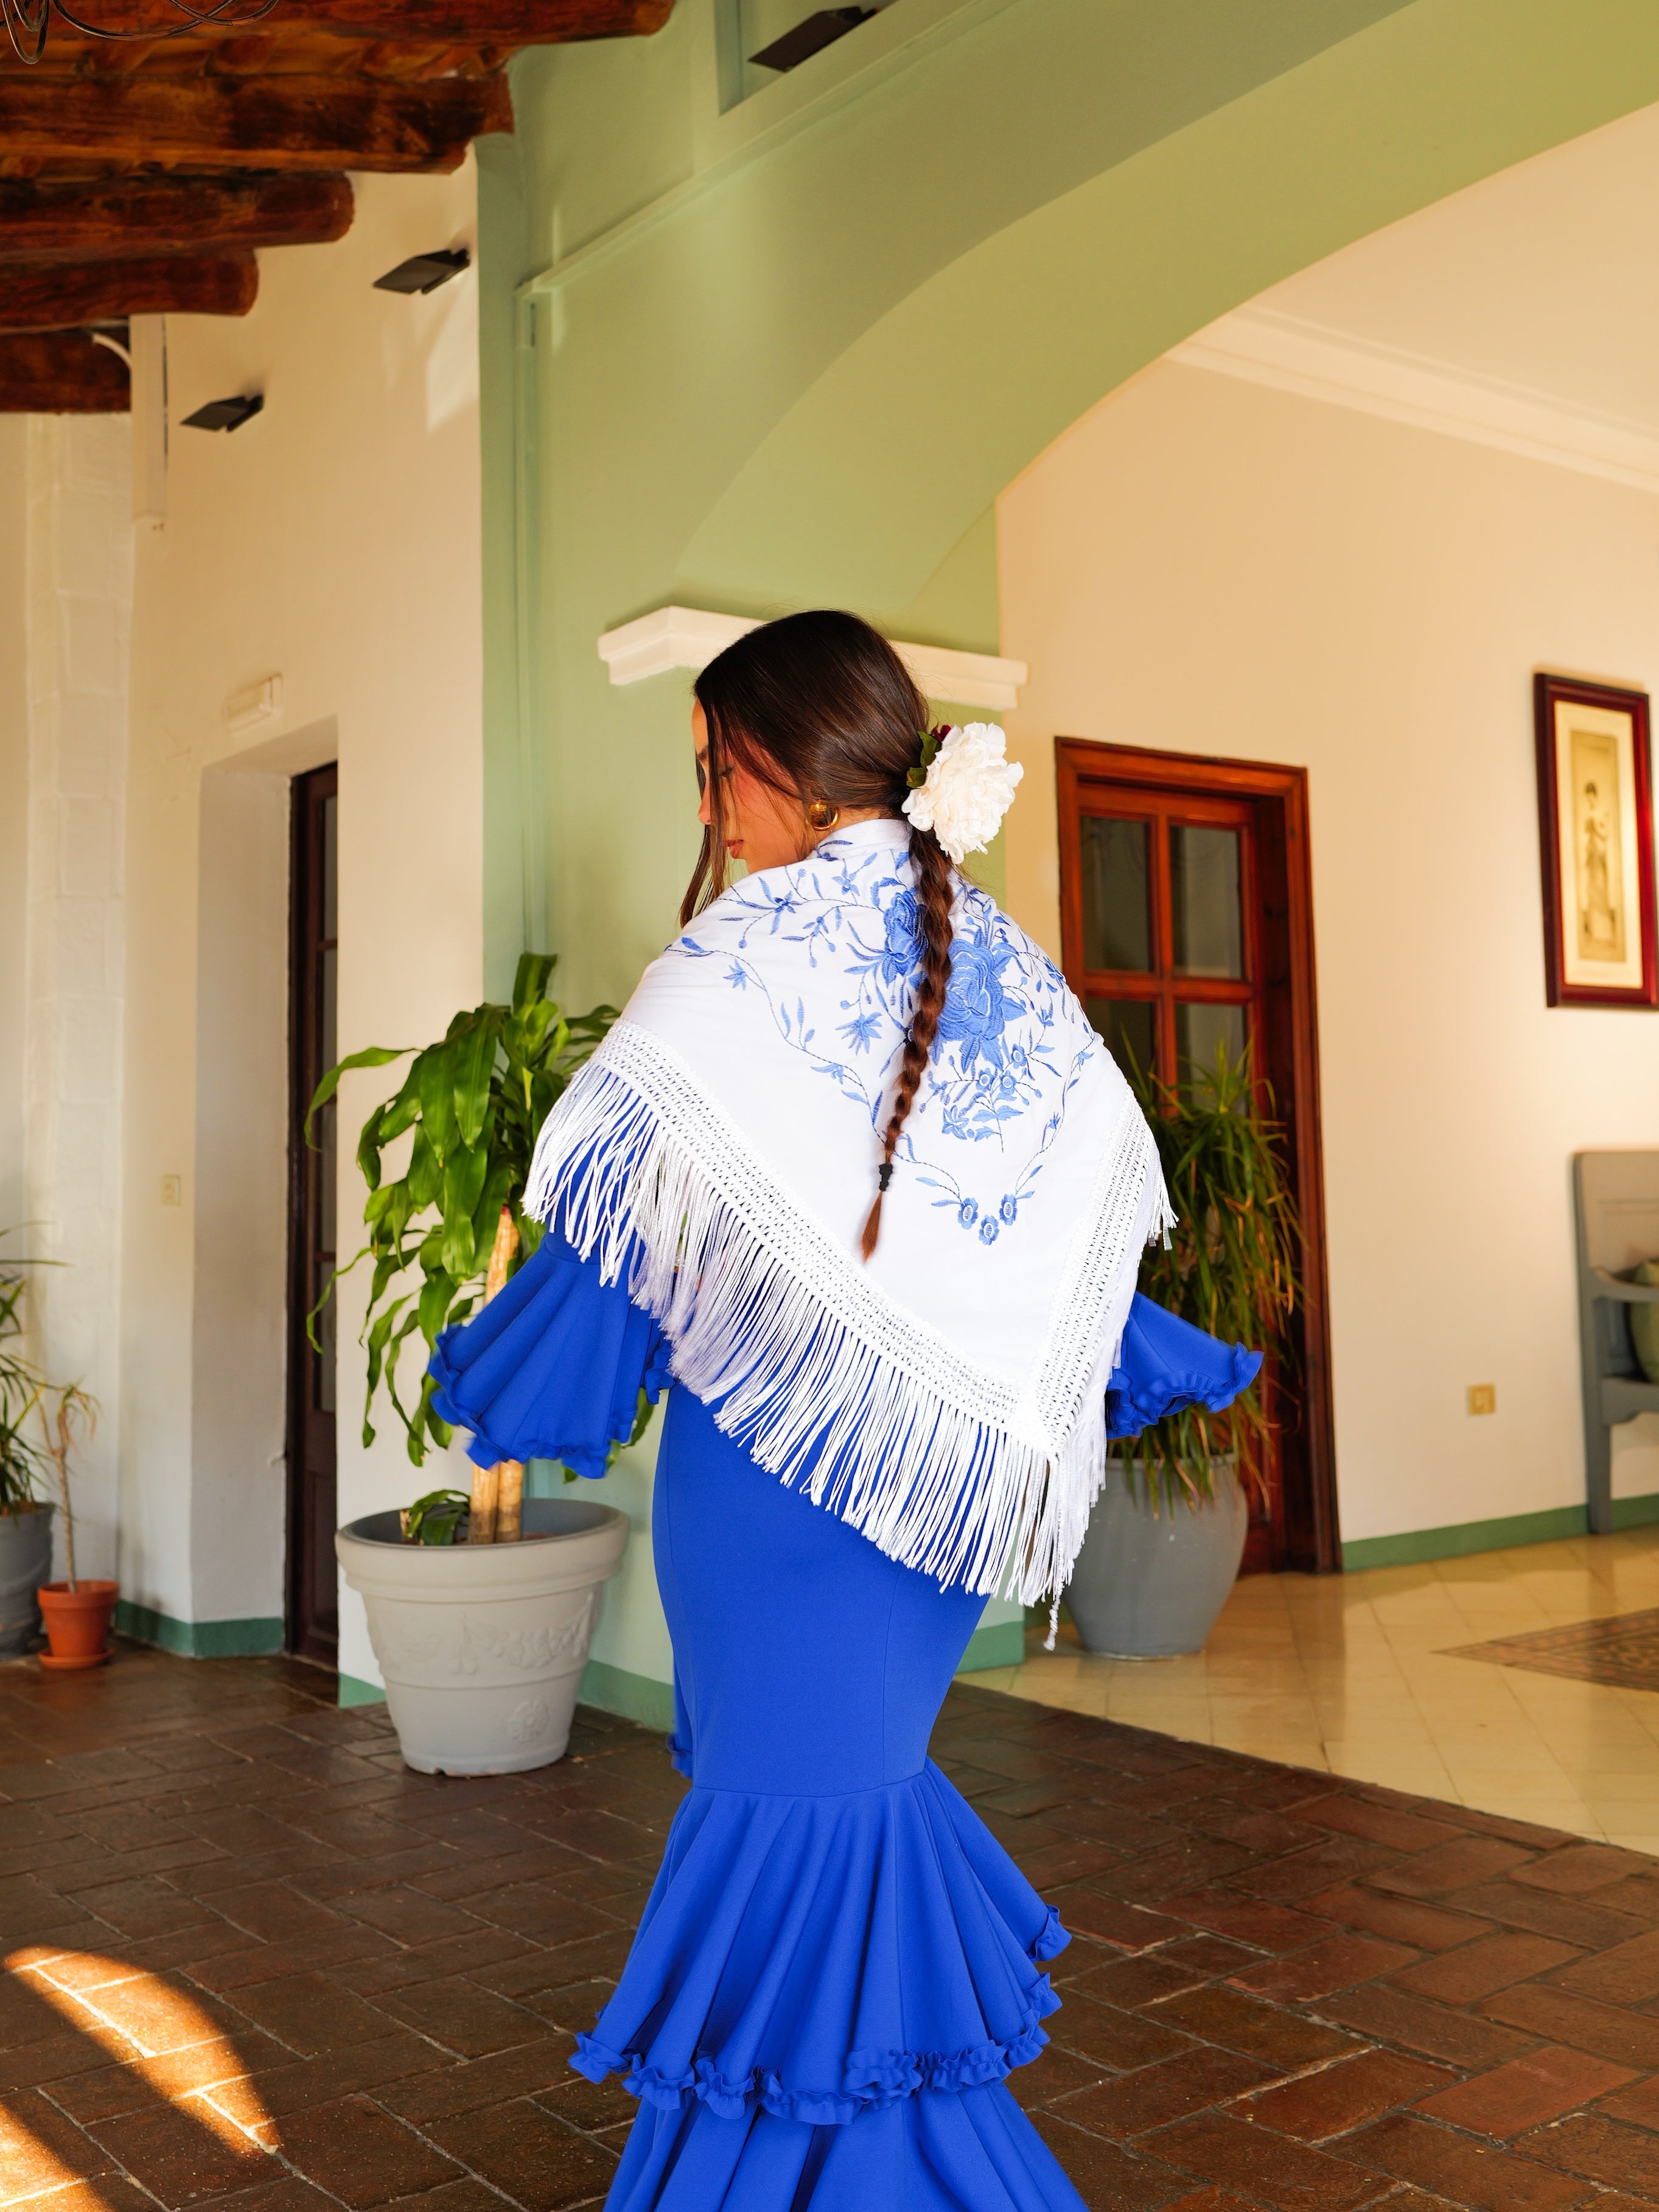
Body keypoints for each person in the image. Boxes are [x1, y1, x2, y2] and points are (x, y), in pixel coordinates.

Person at [430, 611, 1260, 2212]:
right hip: (930, 1508)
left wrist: (520, 1379)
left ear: (764, 761)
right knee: (836, 1814)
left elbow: (630, 1242)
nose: (704, 813)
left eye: (706, 771)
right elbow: (1056, 1223)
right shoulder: (993, 957)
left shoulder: (740, 959)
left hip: (781, 1501)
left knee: (790, 1825)